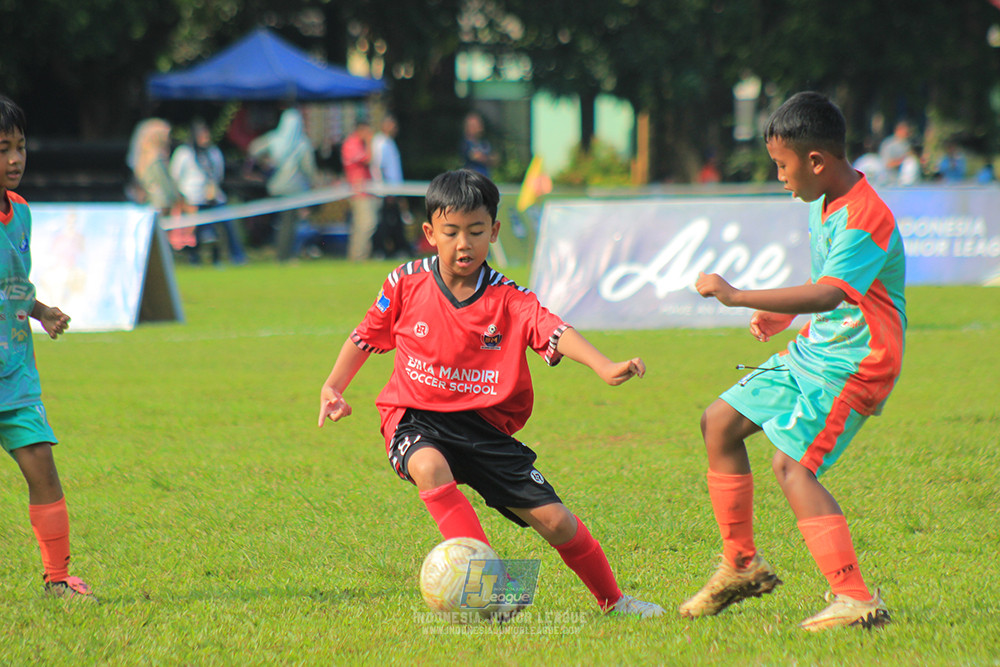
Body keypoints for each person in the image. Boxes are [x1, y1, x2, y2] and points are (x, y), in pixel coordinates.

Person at [317, 169, 663, 619]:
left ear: (494, 231)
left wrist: (602, 364)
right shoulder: (404, 283)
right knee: (429, 465)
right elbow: (365, 336)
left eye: (477, 231)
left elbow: (553, 329)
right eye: (452, 232)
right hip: (414, 415)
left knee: (557, 522)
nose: (465, 243)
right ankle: (491, 588)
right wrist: (333, 386)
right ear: (430, 234)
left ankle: (615, 601)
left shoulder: (509, 299)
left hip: (484, 427)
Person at [688, 92, 905, 632]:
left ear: (816, 161)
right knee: (719, 422)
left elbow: (832, 293)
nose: (779, 176)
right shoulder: (822, 201)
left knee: (791, 464)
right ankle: (740, 565)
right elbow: (834, 289)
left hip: (857, 362)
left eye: (781, 165)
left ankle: (854, 598)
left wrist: (740, 296)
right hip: (819, 347)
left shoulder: (866, 215)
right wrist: (786, 318)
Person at [0, 95, 95, 600]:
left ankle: (58, 579)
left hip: (14, 373)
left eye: (20, 147)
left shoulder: (21, 214)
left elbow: (13, 282)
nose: (14, 159)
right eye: (2, 149)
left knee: (43, 468)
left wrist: (41, 312)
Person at [169, 118, 247, 266]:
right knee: (194, 232)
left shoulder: (214, 152)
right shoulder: (184, 153)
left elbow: (219, 174)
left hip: (213, 198)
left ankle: (237, 257)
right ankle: (194, 259)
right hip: (192, 199)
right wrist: (183, 199)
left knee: (227, 225)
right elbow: (175, 176)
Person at [247, 108, 317, 261]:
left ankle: (279, 252)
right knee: (289, 223)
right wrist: (313, 182)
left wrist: (265, 161)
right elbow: (308, 169)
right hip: (294, 189)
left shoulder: (274, 138)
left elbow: (253, 148)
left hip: (275, 187)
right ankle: (284, 255)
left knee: (279, 221)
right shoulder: (302, 144)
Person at [130, 118, 193, 254]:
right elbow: (163, 183)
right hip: (159, 201)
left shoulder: (145, 157)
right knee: (159, 233)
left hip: (155, 200)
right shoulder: (154, 158)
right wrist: (176, 197)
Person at [370, 114, 413, 258]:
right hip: (386, 191)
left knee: (395, 222)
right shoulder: (381, 142)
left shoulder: (390, 142)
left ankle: (397, 249)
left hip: (394, 190)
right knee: (384, 223)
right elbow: (380, 167)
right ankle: (380, 250)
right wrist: (386, 190)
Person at [340, 120, 377, 261]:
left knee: (363, 224)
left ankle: (362, 256)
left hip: (365, 190)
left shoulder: (357, 144)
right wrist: (369, 142)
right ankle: (357, 256)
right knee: (366, 224)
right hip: (358, 191)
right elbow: (368, 159)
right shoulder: (352, 144)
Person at [459, 111, 498, 177]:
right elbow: (474, 156)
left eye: (478, 125)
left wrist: (486, 158)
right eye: (473, 125)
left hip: (485, 178)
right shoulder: (465, 143)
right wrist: (488, 159)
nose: (478, 128)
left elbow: (495, 159)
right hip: (472, 179)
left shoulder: (484, 143)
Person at [878, 120, 911, 184]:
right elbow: (886, 164)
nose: (906, 134)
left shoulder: (906, 144)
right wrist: (902, 162)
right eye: (905, 132)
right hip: (888, 180)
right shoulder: (889, 144)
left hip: (903, 180)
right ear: (898, 131)